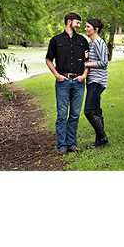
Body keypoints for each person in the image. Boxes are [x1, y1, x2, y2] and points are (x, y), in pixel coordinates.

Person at [45, 12, 89, 153]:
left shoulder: (83, 41)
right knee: (62, 115)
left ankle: (72, 144)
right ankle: (62, 146)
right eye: (77, 23)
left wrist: (84, 76)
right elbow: (48, 60)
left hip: (78, 81)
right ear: (69, 21)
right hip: (62, 81)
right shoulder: (56, 40)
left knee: (75, 114)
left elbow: (87, 61)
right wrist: (56, 75)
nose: (79, 26)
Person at [83, 18, 109, 148]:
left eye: (88, 27)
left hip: (97, 81)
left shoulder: (99, 42)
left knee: (88, 111)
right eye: (85, 26)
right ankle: (99, 142)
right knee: (97, 112)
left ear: (96, 29)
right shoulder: (92, 43)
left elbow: (104, 63)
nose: (85, 29)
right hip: (92, 80)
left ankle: (103, 138)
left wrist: (87, 63)